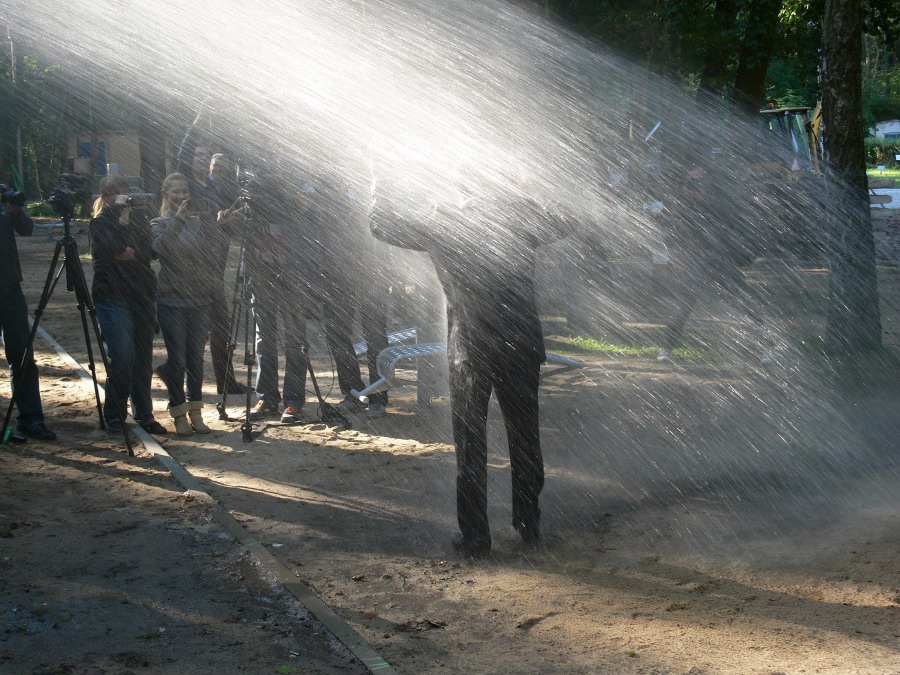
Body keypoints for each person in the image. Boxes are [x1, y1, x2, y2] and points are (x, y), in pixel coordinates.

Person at [370, 170, 570, 558]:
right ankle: (529, 525)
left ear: (459, 187)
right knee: (526, 438)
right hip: (520, 344)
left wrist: (380, 180)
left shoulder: (444, 219)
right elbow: (567, 220)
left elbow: (382, 225)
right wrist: (530, 191)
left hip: (471, 348)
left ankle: (476, 538)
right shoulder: (520, 217)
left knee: (470, 444)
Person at [89, 176, 167, 435]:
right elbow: (115, 249)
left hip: (142, 295)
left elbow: (151, 252)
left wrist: (132, 250)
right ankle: (114, 414)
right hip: (112, 297)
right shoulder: (99, 224)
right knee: (123, 357)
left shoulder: (141, 220)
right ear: (105, 196)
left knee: (143, 359)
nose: (120, 197)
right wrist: (122, 224)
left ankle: (144, 415)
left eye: (123, 192)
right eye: (113, 193)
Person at [151, 173, 221, 436]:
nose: (181, 196)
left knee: (196, 359)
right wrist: (178, 221)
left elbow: (212, 253)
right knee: (177, 359)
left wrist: (218, 222)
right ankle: (178, 411)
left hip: (200, 298)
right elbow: (161, 250)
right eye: (175, 192)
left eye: (184, 191)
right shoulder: (159, 222)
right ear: (165, 194)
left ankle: (196, 411)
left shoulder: (200, 223)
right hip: (171, 300)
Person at [0, 187, 56, 441]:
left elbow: (26, 228)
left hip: (10, 289)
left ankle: (31, 418)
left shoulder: (4, 200)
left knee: (22, 355)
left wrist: (14, 209)